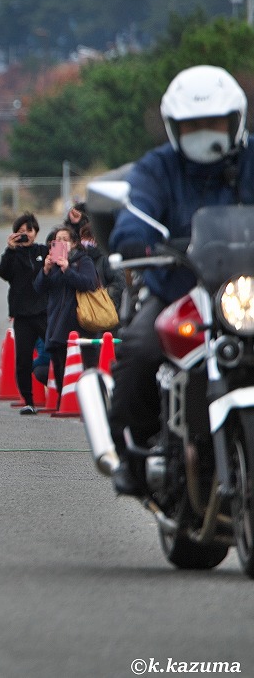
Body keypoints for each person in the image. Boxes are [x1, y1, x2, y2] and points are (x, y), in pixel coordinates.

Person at [106, 64, 254, 496]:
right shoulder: (157, 169)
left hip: (242, 291)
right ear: (174, 127)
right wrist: (140, 245)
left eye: (214, 123)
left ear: (235, 122)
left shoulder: (251, 161)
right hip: (180, 288)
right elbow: (135, 217)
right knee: (140, 347)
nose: (204, 132)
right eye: (193, 125)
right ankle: (134, 455)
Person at [33, 225, 100, 394]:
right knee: (58, 365)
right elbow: (39, 289)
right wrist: (46, 270)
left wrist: (67, 269)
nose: (60, 243)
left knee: (81, 367)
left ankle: (82, 400)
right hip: (56, 323)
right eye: (57, 240)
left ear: (74, 243)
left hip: (77, 324)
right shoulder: (53, 264)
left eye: (65, 240)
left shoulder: (82, 261)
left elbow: (89, 284)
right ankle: (62, 401)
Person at [0, 212, 46, 414]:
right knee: (23, 359)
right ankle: (28, 400)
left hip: (44, 311)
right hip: (22, 314)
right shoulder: (12, 256)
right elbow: (2, 272)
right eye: (21, 232)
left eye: (29, 231)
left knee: (57, 350)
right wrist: (9, 249)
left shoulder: (43, 251)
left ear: (36, 232)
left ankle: (61, 391)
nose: (25, 235)